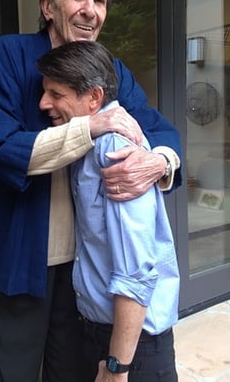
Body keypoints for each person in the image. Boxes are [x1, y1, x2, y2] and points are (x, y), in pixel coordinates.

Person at [0, 0, 182, 382]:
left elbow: (161, 131)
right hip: (22, 264)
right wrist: (92, 125)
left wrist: (157, 161)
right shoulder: (10, 56)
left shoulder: (110, 70)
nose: (91, 9)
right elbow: (2, 148)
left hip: (83, 278)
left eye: (100, 0)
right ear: (48, 7)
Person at [37, 40, 179, 382]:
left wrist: (118, 366)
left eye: (56, 94)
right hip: (104, 335)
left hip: (135, 348)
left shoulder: (116, 150)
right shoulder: (86, 144)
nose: (44, 104)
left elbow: (136, 272)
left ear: (94, 98)